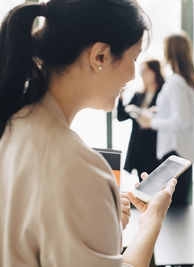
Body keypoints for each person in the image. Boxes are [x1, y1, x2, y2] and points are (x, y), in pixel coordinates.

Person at [0, 1, 176, 267]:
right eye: (134, 58)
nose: (132, 75)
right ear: (100, 56)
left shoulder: (13, 125)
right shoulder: (79, 168)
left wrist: (102, 217)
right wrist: (153, 218)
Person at [137, 32, 194, 206]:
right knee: (178, 206)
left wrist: (151, 123)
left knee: (173, 207)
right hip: (183, 150)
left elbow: (181, 121)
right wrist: (158, 113)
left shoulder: (176, 82)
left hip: (175, 150)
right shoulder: (189, 81)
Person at [117, 59, 164, 178]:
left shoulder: (163, 94)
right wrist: (120, 97)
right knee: (142, 182)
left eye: (144, 70)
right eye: (140, 71)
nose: (141, 74)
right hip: (138, 148)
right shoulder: (139, 95)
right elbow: (121, 117)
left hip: (155, 148)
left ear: (154, 71)